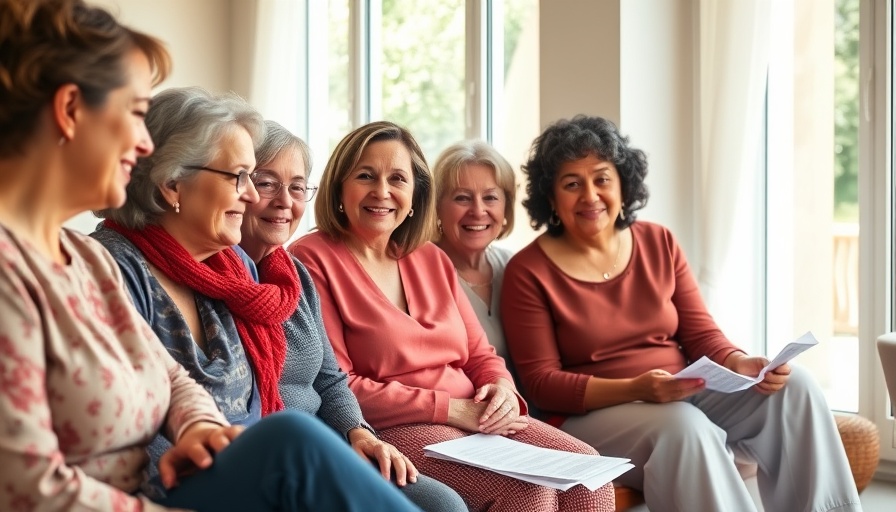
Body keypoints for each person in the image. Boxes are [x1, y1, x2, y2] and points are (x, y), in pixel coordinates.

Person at [0, 2, 419, 512]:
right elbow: (27, 487)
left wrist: (198, 425)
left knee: (292, 442)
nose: (142, 143)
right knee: (290, 444)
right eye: (135, 113)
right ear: (69, 111)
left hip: (183, 483)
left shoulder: (81, 259)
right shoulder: (46, 267)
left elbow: (171, 377)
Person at [500, 114, 863, 512]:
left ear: (623, 185)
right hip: (590, 417)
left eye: (602, 178)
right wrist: (638, 388)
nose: (590, 196)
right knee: (685, 428)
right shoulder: (527, 271)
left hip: (678, 391)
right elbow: (541, 384)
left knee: (798, 388)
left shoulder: (659, 241)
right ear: (551, 198)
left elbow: (701, 334)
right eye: (572, 184)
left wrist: (740, 362)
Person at [84, 84, 420, 511]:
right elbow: (116, 430)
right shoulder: (110, 268)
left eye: (253, 178)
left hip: (240, 473)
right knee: (291, 437)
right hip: (162, 489)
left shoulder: (231, 270)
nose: (251, 194)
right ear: (172, 185)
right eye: (241, 177)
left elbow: (277, 398)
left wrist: (356, 431)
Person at [289, 121, 616, 512]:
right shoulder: (311, 259)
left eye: (397, 178)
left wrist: (502, 390)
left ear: (414, 195)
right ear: (340, 187)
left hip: (476, 416)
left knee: (590, 475)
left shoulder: (431, 257)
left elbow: (481, 354)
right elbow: (339, 385)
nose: (382, 191)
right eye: (365, 176)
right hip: (396, 426)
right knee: (526, 493)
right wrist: (450, 409)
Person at [237, 120, 467, 511]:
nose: (284, 201)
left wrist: (356, 431)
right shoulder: (303, 260)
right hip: (291, 447)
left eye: (295, 187)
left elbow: (330, 380)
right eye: (266, 183)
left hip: (335, 436)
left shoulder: (291, 276)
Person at [432, 140, 516, 362]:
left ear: (506, 207)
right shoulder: (422, 273)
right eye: (462, 198)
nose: (478, 211)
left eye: (490, 197)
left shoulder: (514, 266)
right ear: (437, 207)